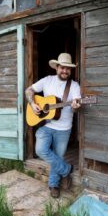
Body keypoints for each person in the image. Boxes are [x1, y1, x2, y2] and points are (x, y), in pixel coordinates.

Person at [25, 53, 81, 198]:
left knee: (57, 157)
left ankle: (53, 185)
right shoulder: (47, 80)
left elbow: (76, 108)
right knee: (40, 150)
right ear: (57, 67)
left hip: (64, 129)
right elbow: (28, 91)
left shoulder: (74, 86)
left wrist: (75, 106)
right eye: (62, 67)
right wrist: (33, 104)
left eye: (68, 68)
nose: (65, 71)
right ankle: (66, 170)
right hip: (47, 125)